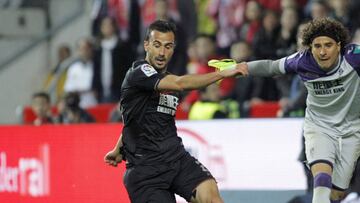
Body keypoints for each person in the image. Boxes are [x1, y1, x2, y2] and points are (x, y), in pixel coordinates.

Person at [104, 20, 243, 203]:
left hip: (176, 158)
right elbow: (180, 83)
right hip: (146, 173)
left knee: (211, 196)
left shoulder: (168, 80)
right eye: (157, 45)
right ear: (146, 45)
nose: (162, 53)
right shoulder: (139, 73)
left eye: (168, 46)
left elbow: (136, 118)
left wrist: (118, 148)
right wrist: (220, 74)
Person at [228, 18, 360, 203]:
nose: (322, 51)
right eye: (317, 46)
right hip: (319, 127)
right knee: (322, 179)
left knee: (337, 193)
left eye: (328, 45)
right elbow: (271, 67)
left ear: (339, 46)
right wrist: (240, 67)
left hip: (352, 128)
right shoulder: (302, 60)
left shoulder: (353, 56)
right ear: (310, 47)